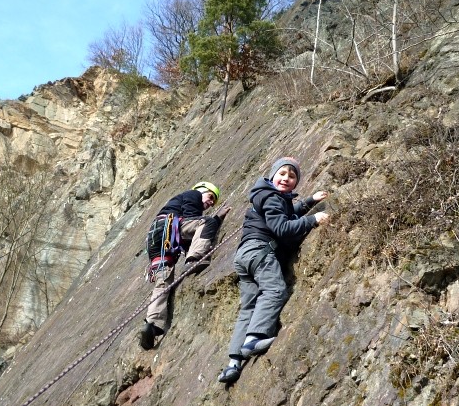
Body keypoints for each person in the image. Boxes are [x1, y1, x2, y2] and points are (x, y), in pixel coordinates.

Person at [218, 157, 329, 384]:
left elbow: (286, 212)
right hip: (261, 252)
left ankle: (233, 363)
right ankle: (253, 339)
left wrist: (309, 201)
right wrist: (313, 219)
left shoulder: (268, 197)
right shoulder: (273, 197)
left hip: (245, 256)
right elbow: (281, 227)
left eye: (292, 176)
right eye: (282, 173)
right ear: (272, 175)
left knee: (248, 307)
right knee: (275, 290)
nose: (286, 178)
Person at [139, 181, 230, 350]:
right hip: (169, 228)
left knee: (163, 280)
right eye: (211, 197)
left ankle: (152, 324)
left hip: (157, 240)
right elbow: (193, 220)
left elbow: (189, 234)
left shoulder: (177, 203)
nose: (210, 203)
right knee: (206, 222)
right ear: (202, 191)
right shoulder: (192, 194)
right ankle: (194, 259)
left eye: (213, 202)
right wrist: (216, 219)